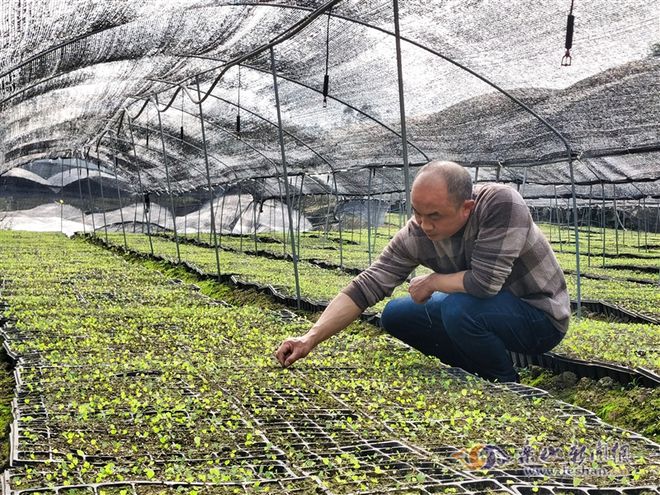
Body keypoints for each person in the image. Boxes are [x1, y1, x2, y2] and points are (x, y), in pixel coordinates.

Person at [274, 160, 570, 382]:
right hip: (478, 308)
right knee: (396, 315)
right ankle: (472, 367)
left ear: (466, 208)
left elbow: (485, 283)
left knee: (458, 309)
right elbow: (368, 285)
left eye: (435, 216)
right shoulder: (418, 232)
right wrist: (309, 338)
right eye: (416, 212)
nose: (424, 225)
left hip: (538, 317)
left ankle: (504, 382)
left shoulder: (500, 204)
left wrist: (433, 281)